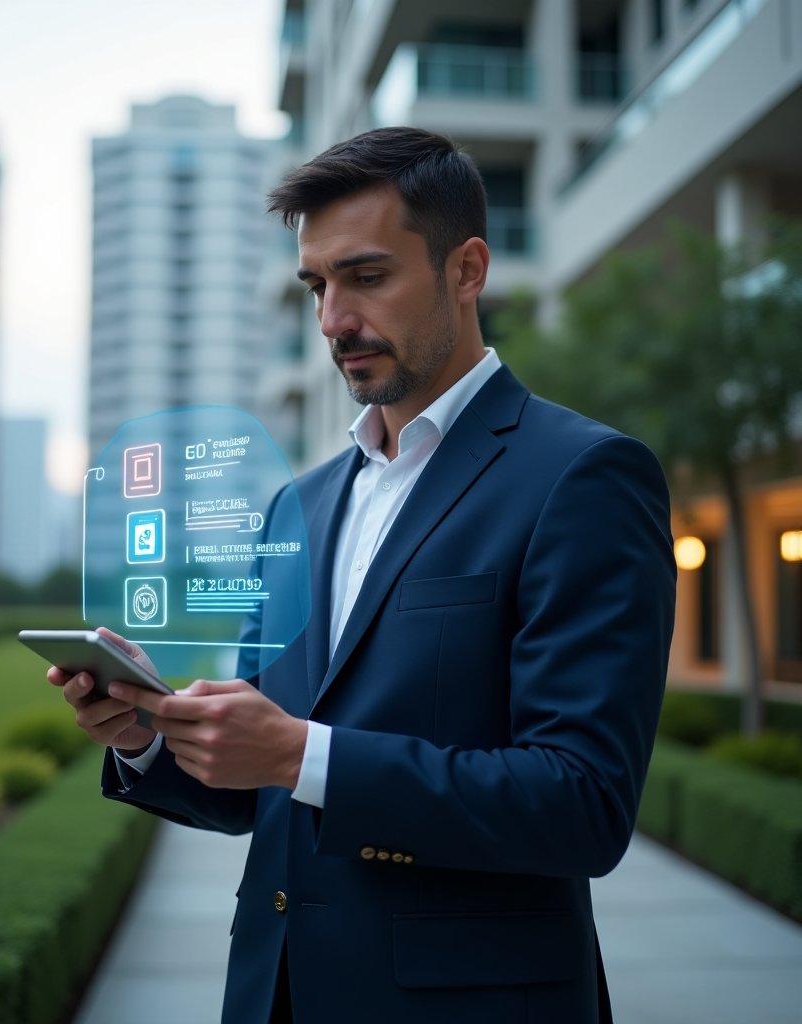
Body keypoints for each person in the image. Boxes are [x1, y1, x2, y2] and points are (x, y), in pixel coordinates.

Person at [51, 126, 676, 1023]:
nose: (332, 320)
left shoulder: (583, 476)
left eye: (367, 277)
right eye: (317, 285)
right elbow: (263, 791)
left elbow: (583, 804)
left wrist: (299, 752)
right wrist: (148, 733)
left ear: (467, 271)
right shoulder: (297, 507)